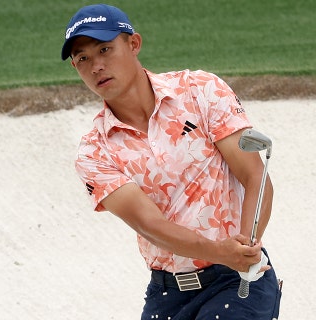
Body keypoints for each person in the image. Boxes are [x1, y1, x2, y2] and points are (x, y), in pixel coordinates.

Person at [61, 4, 282, 319]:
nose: (96, 66)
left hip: (236, 280)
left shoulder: (200, 90)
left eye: (105, 49)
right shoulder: (94, 152)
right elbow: (151, 226)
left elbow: (255, 175)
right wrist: (223, 252)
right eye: (83, 58)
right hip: (167, 293)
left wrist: (244, 252)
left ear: (134, 44)